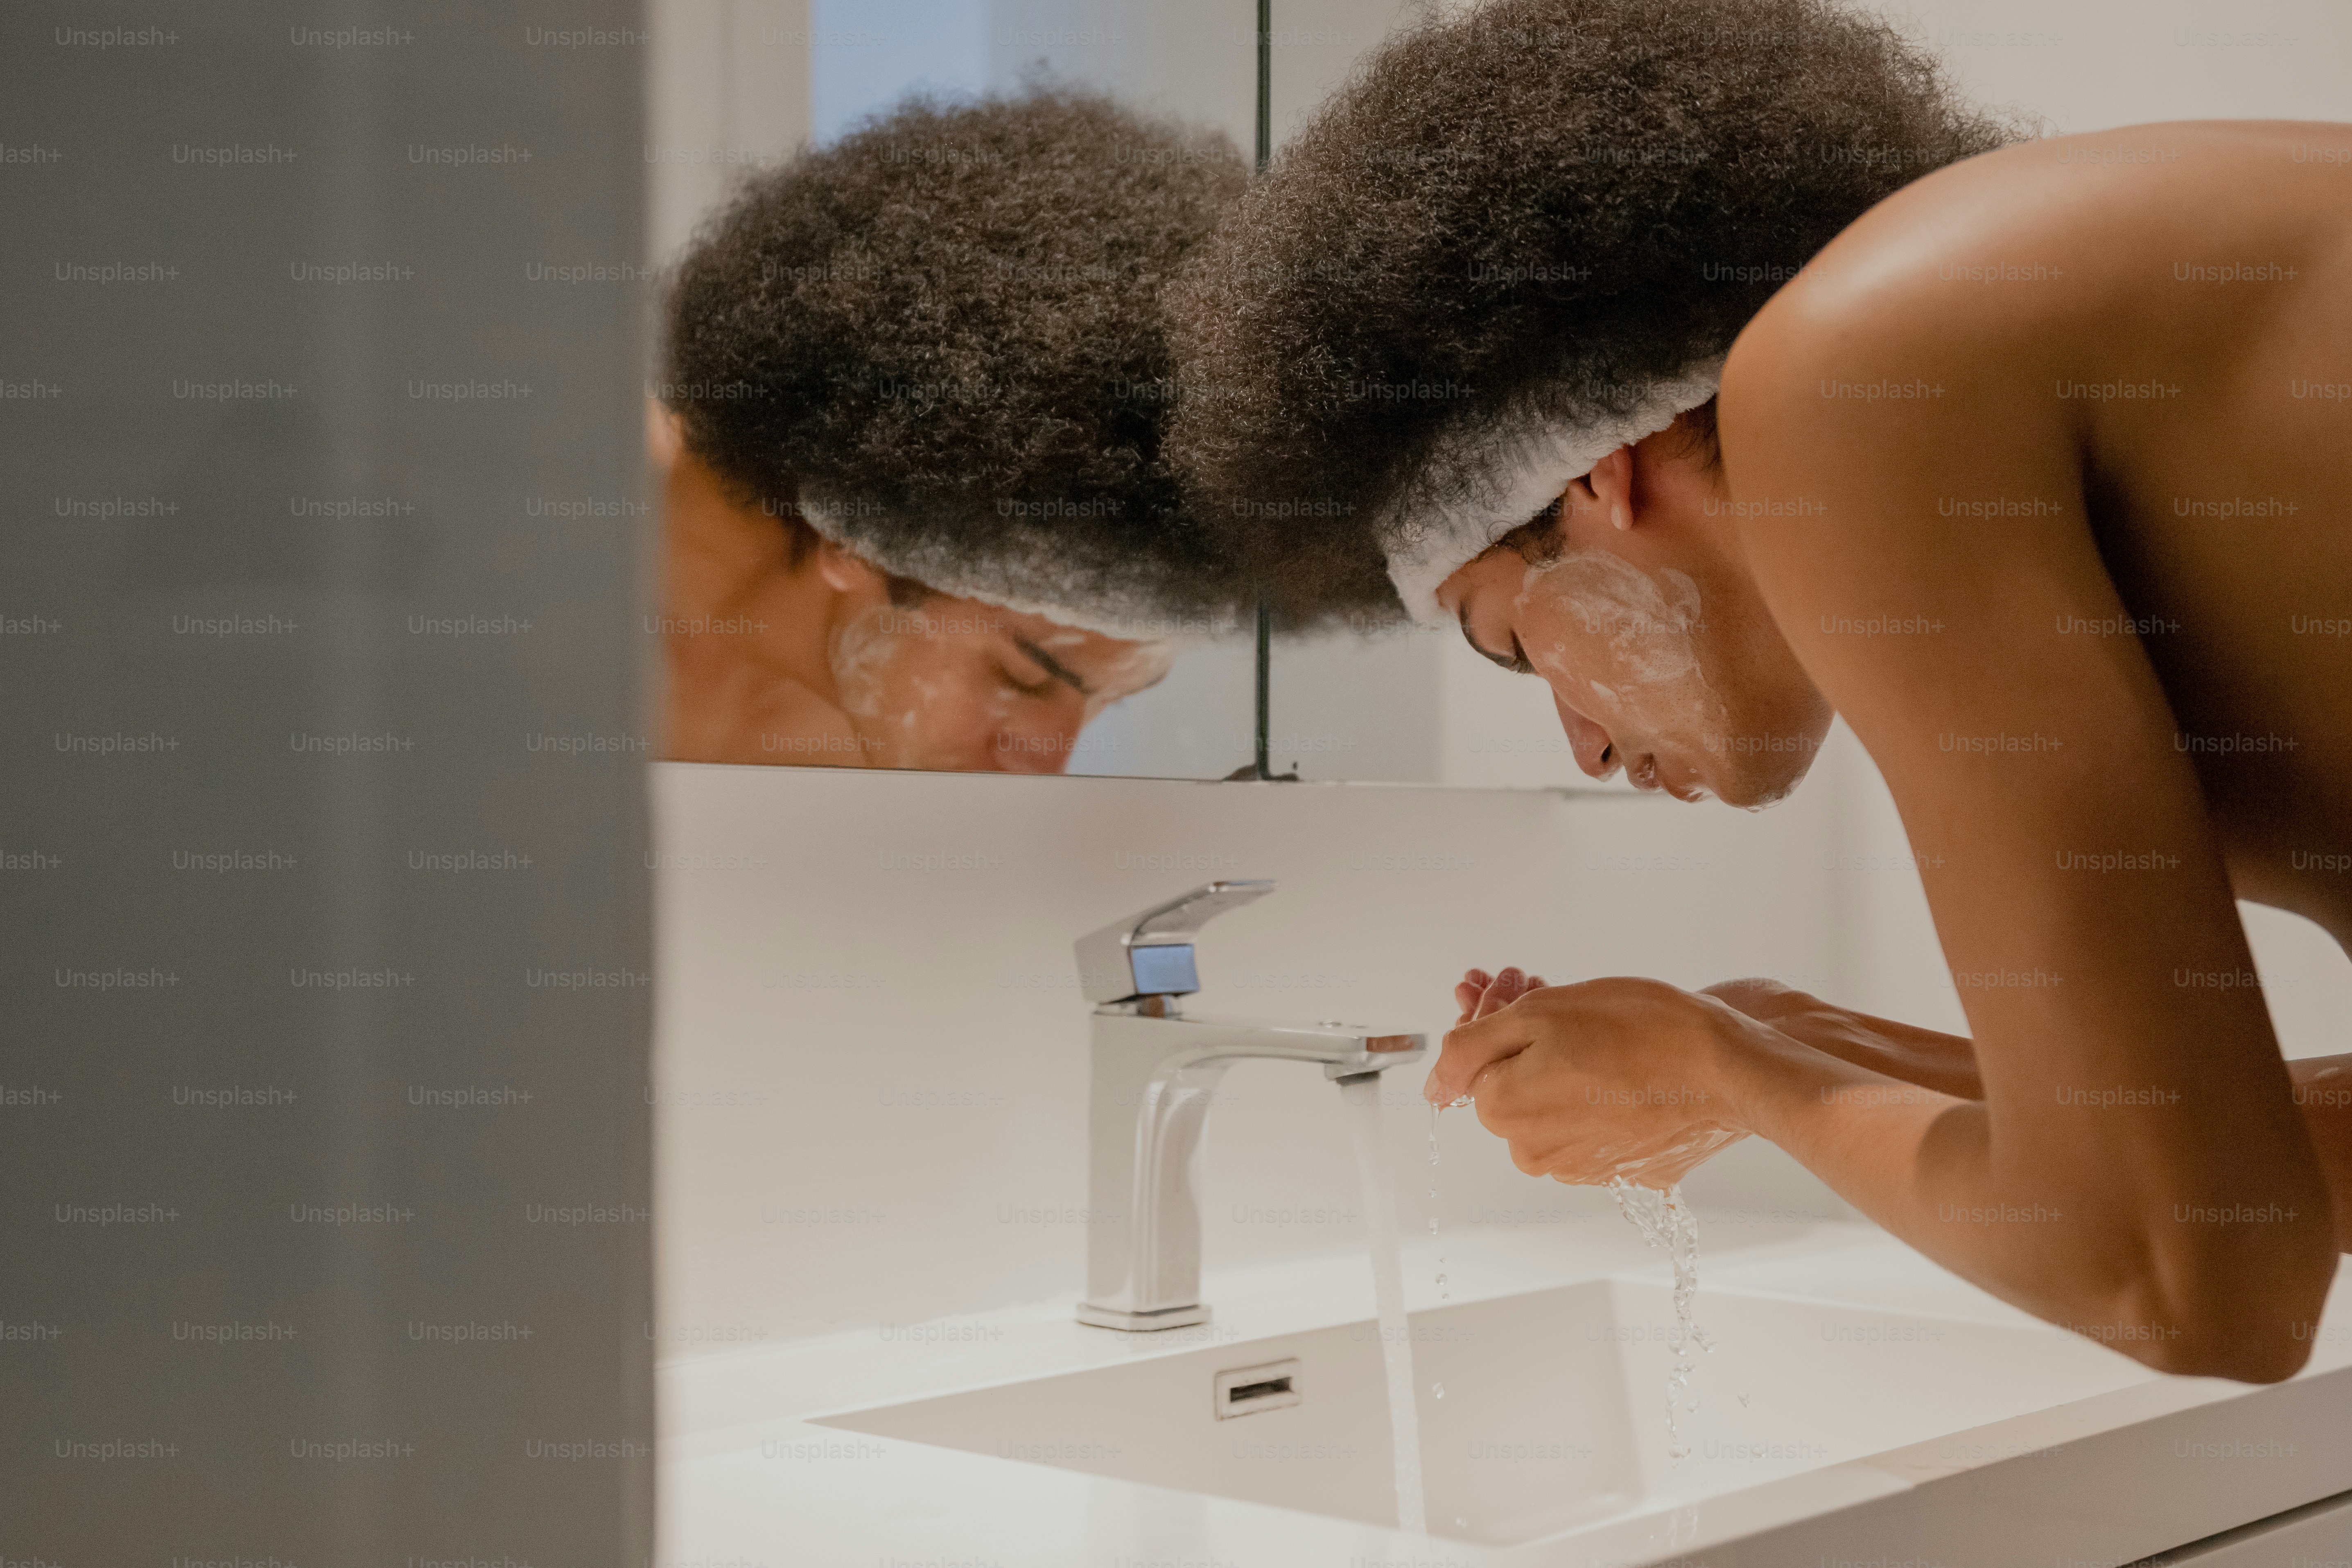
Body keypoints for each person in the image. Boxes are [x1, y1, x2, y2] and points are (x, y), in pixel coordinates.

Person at [1164, 0, 2352, 1381]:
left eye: (1508, 643)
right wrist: (1824, 1050)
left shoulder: (1849, 363)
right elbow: (2232, 1188)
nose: (1586, 744)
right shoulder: (2088, 347)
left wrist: (1726, 1076)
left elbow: (2190, 1280)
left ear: (1597, 478)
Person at [659, 90, 1249, 770]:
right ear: (857, 534)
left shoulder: (863, 768)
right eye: (1021, 675)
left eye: (1105, 703)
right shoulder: (547, 520)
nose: (1048, 760)